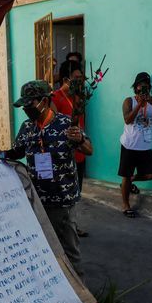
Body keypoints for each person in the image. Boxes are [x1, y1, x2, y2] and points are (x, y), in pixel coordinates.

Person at [0, 80, 93, 276]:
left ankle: (82, 299)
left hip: (62, 200)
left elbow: (89, 149)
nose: (26, 109)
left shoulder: (65, 124)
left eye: (30, 104)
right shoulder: (27, 127)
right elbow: (16, 153)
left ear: (44, 101)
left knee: (69, 251)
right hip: (35, 199)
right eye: (24, 105)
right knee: (44, 249)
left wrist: (79, 139)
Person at [119, 72, 152, 217]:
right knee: (126, 174)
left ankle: (131, 180)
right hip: (129, 145)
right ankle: (126, 205)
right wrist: (139, 104)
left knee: (151, 174)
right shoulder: (129, 101)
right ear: (136, 87)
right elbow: (127, 120)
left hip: (146, 146)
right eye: (141, 85)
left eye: (146, 85)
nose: (144, 88)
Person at [52, 59, 89, 237]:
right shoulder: (55, 98)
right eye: (77, 78)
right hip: (63, 155)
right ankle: (63, 227)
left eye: (82, 78)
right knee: (64, 193)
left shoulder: (78, 97)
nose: (81, 81)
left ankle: (73, 224)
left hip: (79, 152)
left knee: (76, 192)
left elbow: (81, 122)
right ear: (66, 79)